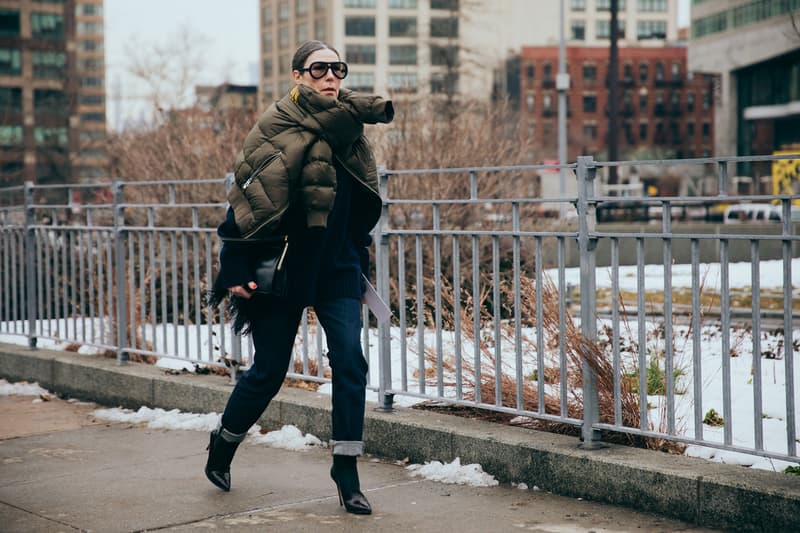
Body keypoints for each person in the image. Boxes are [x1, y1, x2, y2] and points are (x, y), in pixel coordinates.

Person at [205, 40, 394, 515]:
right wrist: (234, 268)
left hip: (338, 269)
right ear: (297, 76)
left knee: (350, 363)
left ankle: (346, 470)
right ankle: (224, 442)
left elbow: (357, 198)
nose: (330, 76)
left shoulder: (350, 128)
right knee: (268, 371)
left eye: (337, 68)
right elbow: (245, 202)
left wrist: (357, 250)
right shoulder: (275, 126)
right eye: (318, 69)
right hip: (283, 268)